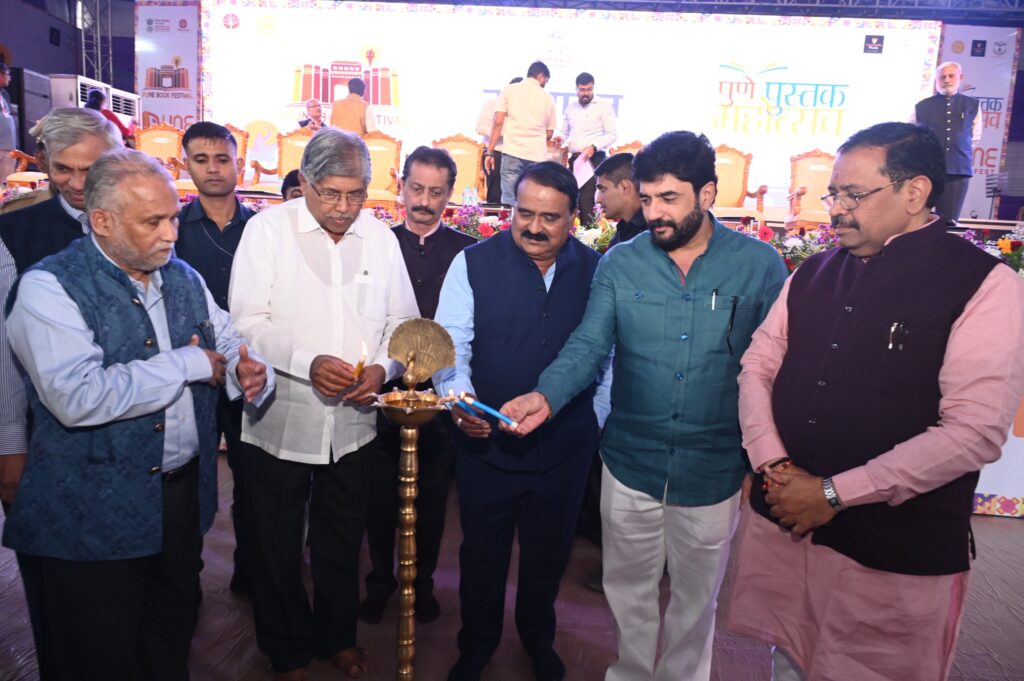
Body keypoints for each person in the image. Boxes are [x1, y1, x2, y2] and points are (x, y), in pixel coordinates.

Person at [727, 121, 1024, 681]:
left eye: (853, 194)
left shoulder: (984, 283)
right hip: (790, 521)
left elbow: (975, 431)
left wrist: (833, 493)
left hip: (891, 547)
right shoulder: (814, 270)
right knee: (788, 661)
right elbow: (757, 365)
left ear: (915, 192)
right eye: (833, 194)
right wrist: (773, 463)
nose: (836, 209)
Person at [501, 132, 788, 681]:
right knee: (627, 592)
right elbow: (589, 345)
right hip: (630, 460)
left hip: (713, 466)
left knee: (695, 602)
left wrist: (763, 458)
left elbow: (773, 368)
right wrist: (545, 395)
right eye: (648, 198)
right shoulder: (622, 263)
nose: (654, 213)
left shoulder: (759, 266)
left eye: (669, 199)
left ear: (707, 193)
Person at [3, 148, 273, 681]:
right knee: (96, 657)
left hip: (177, 503)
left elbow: (226, 338)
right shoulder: (47, 287)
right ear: (101, 221)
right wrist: (188, 364)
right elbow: (77, 396)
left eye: (173, 217)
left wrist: (248, 371)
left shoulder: (183, 276)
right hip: (87, 514)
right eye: (153, 222)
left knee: (167, 644)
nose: (171, 234)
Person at [228, 127, 418, 681]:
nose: (343, 207)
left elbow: (402, 321)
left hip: (354, 423)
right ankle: (286, 648)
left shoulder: (379, 238)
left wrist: (385, 367)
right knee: (276, 543)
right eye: (331, 193)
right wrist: (306, 361)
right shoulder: (268, 231)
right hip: (281, 415)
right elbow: (247, 321)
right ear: (306, 183)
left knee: (342, 539)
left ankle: (337, 637)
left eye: (355, 194)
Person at [434, 161, 609, 681]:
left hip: (564, 450)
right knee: (481, 556)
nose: (533, 227)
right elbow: (450, 343)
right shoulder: (472, 263)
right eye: (523, 213)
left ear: (574, 218)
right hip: (485, 445)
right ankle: (476, 646)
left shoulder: (599, 270)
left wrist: (594, 423)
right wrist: (460, 401)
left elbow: (609, 355)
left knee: (548, 558)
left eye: (549, 218)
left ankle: (538, 639)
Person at [360, 146, 476, 625]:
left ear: (450, 194)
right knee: (378, 498)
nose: (425, 201)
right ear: (401, 186)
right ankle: (379, 582)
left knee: (431, 500)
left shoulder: (468, 253)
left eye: (436, 192)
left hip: (439, 398)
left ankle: (421, 582)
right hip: (382, 395)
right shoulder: (377, 245)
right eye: (417, 188)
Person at [174, 120, 256, 595]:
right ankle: (185, 576)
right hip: (193, 373)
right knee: (189, 476)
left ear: (237, 163)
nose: (212, 169)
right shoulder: (173, 226)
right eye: (201, 160)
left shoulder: (260, 228)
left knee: (252, 477)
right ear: (186, 163)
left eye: (222, 159)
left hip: (249, 368)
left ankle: (250, 569)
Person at [913, 62, 981, 226]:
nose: (946, 80)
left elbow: (974, 137)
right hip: (927, 171)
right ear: (936, 80)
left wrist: (956, 153)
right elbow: (912, 136)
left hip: (958, 169)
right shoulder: (922, 106)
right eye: (942, 77)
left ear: (960, 77)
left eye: (951, 76)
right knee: (918, 219)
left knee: (948, 221)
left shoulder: (972, 105)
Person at [484, 62, 556, 206]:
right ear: (541, 76)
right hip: (536, 156)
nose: (544, 85)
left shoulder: (510, 90)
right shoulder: (548, 98)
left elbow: (498, 122)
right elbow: (549, 133)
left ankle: (511, 220)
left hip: (513, 152)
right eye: (546, 81)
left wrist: (489, 152)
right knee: (533, 201)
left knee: (510, 200)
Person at [554, 72, 617, 223]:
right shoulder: (571, 108)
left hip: (594, 159)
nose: (586, 93)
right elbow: (564, 132)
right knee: (573, 199)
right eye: (582, 90)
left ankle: (589, 234)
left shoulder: (604, 106)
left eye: (589, 89)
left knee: (587, 200)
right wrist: (560, 138)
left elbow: (611, 135)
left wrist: (593, 147)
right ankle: (573, 232)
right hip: (576, 160)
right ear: (576, 89)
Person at [476, 77, 523, 204]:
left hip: (516, 154)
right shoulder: (492, 104)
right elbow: (480, 127)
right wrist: (500, 132)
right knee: (495, 195)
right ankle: (493, 217)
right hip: (495, 153)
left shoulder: (522, 109)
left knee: (515, 196)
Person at [594, 153, 646, 248]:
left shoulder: (652, 234)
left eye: (603, 189)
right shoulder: (623, 229)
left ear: (624, 187)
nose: (598, 200)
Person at [0, 63, 18, 181]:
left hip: (9, 149)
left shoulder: (5, 95)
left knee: (5, 185)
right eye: (8, 74)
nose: (10, 78)